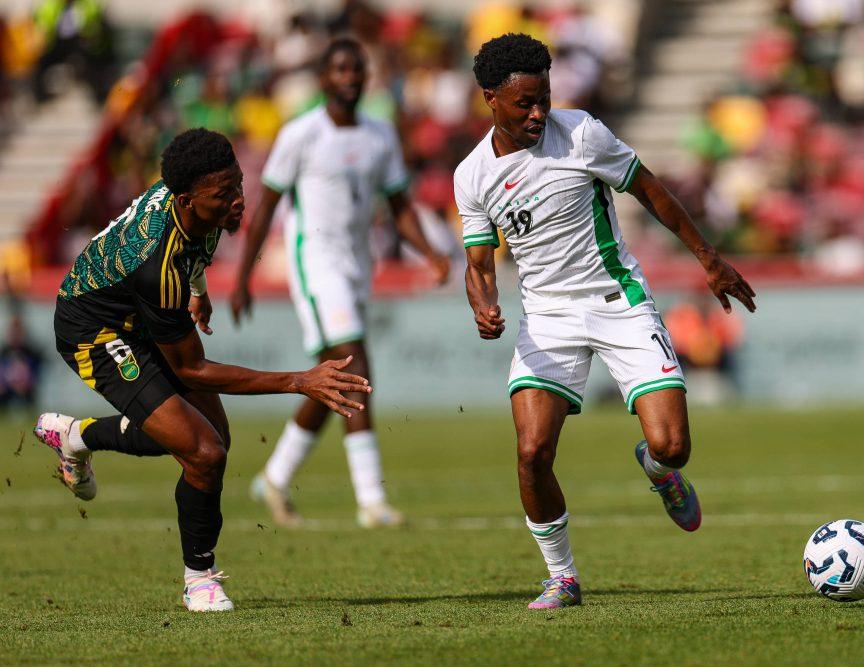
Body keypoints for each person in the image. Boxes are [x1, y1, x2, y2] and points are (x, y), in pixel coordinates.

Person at [456, 34, 756, 610]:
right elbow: (478, 263)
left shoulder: (583, 133)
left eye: (544, 97)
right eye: (525, 103)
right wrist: (483, 303)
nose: (539, 112)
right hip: (547, 319)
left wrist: (709, 259)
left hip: (618, 302)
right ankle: (562, 576)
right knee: (531, 452)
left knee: (672, 445)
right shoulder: (472, 176)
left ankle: (658, 469)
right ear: (490, 98)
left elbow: (651, 191)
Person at [36, 128, 372, 612]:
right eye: (224, 195)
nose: (238, 201)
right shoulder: (158, 261)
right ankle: (200, 579)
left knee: (211, 436)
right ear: (190, 200)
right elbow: (192, 369)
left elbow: (191, 250)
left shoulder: (195, 203)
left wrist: (197, 288)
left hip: (139, 311)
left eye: (238, 185)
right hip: (95, 330)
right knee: (204, 453)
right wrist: (299, 380)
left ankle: (77, 436)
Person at [231, 38, 449, 529]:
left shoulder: (380, 134)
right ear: (324, 79)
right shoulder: (301, 134)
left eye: (357, 69)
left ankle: (275, 476)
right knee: (356, 365)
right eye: (340, 69)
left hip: (357, 265)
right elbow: (265, 207)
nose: (349, 77)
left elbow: (398, 207)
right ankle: (371, 500)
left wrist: (432, 252)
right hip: (316, 264)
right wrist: (244, 276)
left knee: (331, 378)